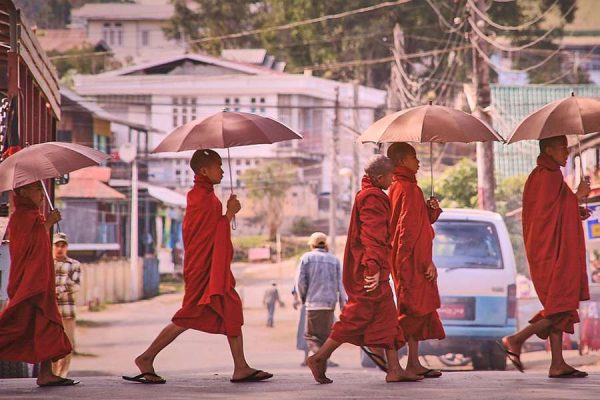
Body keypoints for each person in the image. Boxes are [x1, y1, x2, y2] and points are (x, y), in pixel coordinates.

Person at [124, 149, 273, 384]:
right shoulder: (201, 198)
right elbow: (208, 235)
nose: (222, 171)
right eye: (218, 166)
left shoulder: (206, 196)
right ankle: (146, 358)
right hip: (202, 268)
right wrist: (229, 214)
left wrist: (226, 215)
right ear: (204, 170)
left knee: (229, 309)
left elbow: (212, 231)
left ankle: (241, 366)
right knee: (188, 316)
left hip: (209, 267)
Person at [306, 155, 423, 384]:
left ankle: (394, 369)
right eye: (390, 176)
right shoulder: (373, 197)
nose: (392, 181)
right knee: (354, 316)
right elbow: (373, 236)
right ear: (380, 177)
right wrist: (373, 268)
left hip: (376, 267)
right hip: (370, 269)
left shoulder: (371, 193)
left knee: (388, 319)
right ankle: (320, 357)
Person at [499, 136, 591, 378]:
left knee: (558, 305)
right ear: (549, 150)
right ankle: (516, 340)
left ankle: (557, 363)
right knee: (562, 305)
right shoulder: (546, 176)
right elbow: (544, 219)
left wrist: (575, 209)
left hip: (551, 250)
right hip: (550, 253)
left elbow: (555, 213)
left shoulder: (549, 174)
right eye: (563, 148)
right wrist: (578, 195)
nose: (568, 152)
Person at [0, 181, 76, 387]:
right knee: (14, 325)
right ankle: (46, 372)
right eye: (37, 190)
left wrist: (46, 223)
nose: (42, 195)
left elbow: (37, 244)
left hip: (41, 279)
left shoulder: (33, 214)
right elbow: (27, 246)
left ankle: (46, 373)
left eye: (42, 190)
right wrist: (48, 224)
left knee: (45, 324)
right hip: (30, 282)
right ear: (23, 191)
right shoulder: (22, 216)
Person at [387, 142, 445, 379]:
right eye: (413, 157)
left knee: (416, 312)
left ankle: (413, 362)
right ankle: (397, 362)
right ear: (401, 162)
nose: (418, 161)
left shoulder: (399, 187)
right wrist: (424, 262)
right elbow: (406, 232)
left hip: (406, 259)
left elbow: (416, 223)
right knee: (411, 311)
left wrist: (430, 211)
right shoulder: (408, 189)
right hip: (411, 261)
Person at [295, 232, 347, 357]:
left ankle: (318, 358)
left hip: (313, 303)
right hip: (329, 305)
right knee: (325, 337)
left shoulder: (306, 258)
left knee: (311, 337)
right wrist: (342, 304)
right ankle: (322, 363)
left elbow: (300, 282)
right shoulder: (334, 259)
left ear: (312, 244)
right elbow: (341, 284)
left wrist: (303, 298)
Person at [51, 232, 82, 378]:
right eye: (57, 245)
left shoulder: (74, 264)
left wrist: (58, 290)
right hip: (50, 311)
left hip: (66, 310)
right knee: (51, 344)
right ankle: (51, 373)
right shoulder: (46, 263)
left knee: (68, 344)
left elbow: (75, 285)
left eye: (63, 245)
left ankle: (62, 375)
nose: (60, 249)